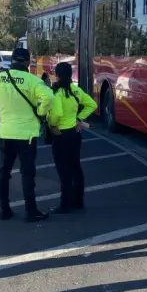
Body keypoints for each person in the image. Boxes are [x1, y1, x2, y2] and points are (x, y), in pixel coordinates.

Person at [0, 47, 55, 222]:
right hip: (27, 136)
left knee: (4, 173)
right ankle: (31, 211)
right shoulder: (32, 80)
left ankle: (4, 209)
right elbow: (49, 97)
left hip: (6, 133)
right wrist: (40, 112)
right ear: (27, 62)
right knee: (27, 174)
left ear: (12, 61)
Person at [46, 62, 97, 213]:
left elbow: (56, 114)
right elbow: (92, 105)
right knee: (75, 167)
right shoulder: (75, 90)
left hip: (61, 134)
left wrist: (52, 126)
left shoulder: (57, 92)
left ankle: (66, 204)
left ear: (57, 74)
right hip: (75, 133)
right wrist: (79, 119)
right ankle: (79, 201)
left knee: (63, 170)